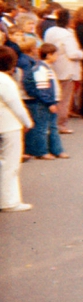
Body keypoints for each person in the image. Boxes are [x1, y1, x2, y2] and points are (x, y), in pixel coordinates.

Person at [0, 46, 33, 212]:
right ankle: (9, 201)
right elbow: (16, 106)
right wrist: (27, 122)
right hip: (8, 125)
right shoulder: (5, 81)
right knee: (10, 165)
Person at [42, 8, 83, 134]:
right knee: (65, 99)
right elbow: (72, 53)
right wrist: (82, 54)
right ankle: (61, 124)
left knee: (53, 96)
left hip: (53, 65)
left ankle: (51, 123)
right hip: (67, 68)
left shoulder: (50, 31)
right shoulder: (67, 34)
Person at [22, 42, 67, 160]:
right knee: (42, 127)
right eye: (55, 54)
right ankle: (41, 151)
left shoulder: (46, 68)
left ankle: (57, 149)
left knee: (52, 126)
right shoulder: (41, 69)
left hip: (51, 100)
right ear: (48, 55)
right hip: (44, 102)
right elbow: (42, 88)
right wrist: (50, 102)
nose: (57, 57)